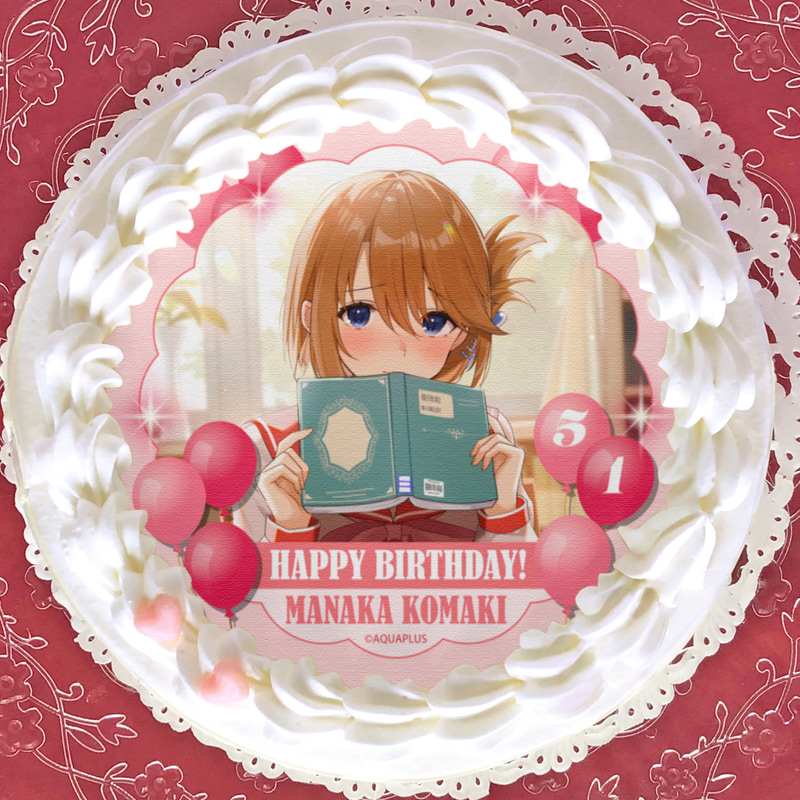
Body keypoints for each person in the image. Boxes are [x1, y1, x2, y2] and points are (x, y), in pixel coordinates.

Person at [237, 170, 541, 543]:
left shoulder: (486, 433)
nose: (399, 346)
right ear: (312, 318)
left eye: (433, 321)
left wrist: (503, 510)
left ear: (462, 329)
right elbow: (248, 580)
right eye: (359, 314)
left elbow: (520, 578)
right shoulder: (265, 447)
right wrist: (291, 525)